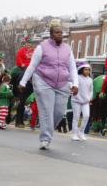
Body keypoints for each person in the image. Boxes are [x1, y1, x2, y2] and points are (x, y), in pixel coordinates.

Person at [19, 22, 78, 150]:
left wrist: (75, 83)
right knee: (46, 110)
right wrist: (23, 82)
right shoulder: (42, 47)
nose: (60, 35)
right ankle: (45, 138)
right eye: (57, 33)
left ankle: (47, 127)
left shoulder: (67, 49)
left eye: (61, 33)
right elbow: (32, 65)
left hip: (62, 83)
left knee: (59, 112)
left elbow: (72, 67)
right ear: (51, 35)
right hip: (43, 81)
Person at [12, 37, 35, 127]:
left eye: (30, 43)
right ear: (25, 44)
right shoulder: (21, 50)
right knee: (13, 72)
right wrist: (22, 64)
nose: (28, 45)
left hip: (32, 67)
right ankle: (11, 86)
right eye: (27, 43)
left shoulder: (35, 51)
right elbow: (19, 58)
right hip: (23, 66)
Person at [71, 62, 93, 141]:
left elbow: (91, 91)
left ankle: (81, 132)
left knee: (86, 116)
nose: (87, 71)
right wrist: (74, 94)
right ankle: (74, 134)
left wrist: (89, 98)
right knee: (76, 117)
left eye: (88, 70)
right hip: (76, 100)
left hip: (85, 102)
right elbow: (72, 87)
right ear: (81, 70)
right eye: (86, 70)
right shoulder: (77, 77)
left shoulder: (90, 80)